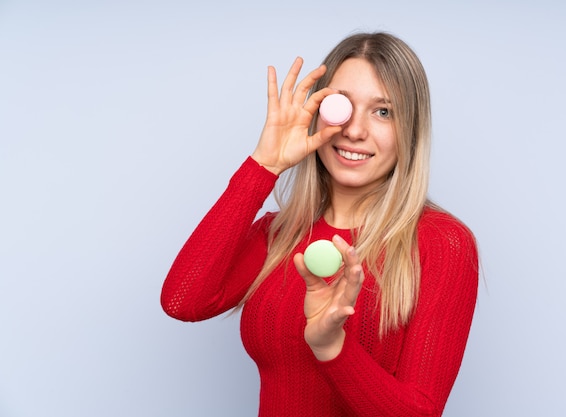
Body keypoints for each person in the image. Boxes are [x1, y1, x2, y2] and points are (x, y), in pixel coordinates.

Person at [161, 31, 479, 417]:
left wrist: (333, 347)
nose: (355, 130)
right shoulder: (277, 234)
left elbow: (419, 411)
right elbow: (183, 301)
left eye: (383, 111)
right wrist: (264, 165)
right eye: (341, 104)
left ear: (409, 130)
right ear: (318, 113)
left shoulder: (442, 242)